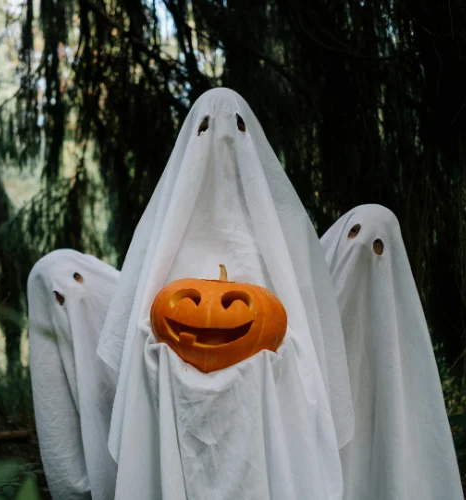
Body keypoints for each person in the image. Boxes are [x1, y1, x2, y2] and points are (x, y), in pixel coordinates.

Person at [96, 87, 355, 499]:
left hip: (261, 381)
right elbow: (137, 325)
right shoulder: (163, 230)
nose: (220, 139)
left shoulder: (283, 231)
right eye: (204, 128)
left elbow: (304, 329)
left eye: (236, 127)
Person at [320, 204, 464, 500]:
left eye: (377, 245)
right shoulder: (305, 313)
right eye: (354, 233)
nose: (360, 247)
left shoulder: (402, 344)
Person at [27, 249, 120, 500]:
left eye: (78, 281)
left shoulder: (120, 308)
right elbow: (57, 430)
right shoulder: (49, 297)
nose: (69, 295)